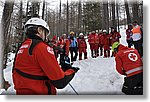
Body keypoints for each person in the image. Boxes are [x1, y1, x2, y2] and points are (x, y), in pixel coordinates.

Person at [12, 17, 79, 95]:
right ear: (40, 30)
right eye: (46, 34)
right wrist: (71, 70)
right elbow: (60, 82)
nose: (46, 37)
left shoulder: (22, 47)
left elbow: (29, 70)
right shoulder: (42, 47)